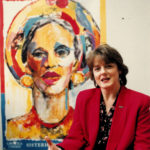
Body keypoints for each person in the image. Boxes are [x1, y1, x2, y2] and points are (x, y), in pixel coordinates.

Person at [5, 0, 100, 139]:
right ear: (25, 63)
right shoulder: (12, 130)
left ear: (76, 61)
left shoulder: (90, 129)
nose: (50, 63)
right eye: (39, 53)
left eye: (61, 52)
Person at [46, 44, 150, 150]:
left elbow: (143, 145)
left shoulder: (141, 103)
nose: (103, 72)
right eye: (97, 69)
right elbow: (76, 138)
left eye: (108, 66)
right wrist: (59, 149)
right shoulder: (84, 98)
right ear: (93, 74)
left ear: (120, 70)